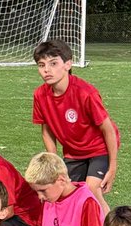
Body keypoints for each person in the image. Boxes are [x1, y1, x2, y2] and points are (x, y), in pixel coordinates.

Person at [32, 39, 119, 205]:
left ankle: (105, 223)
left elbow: (108, 129)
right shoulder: (40, 95)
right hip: (73, 153)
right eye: (41, 65)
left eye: (53, 63)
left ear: (68, 64)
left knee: (92, 190)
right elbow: (47, 130)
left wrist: (112, 167)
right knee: (65, 191)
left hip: (99, 149)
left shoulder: (85, 93)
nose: (47, 70)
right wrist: (54, 162)